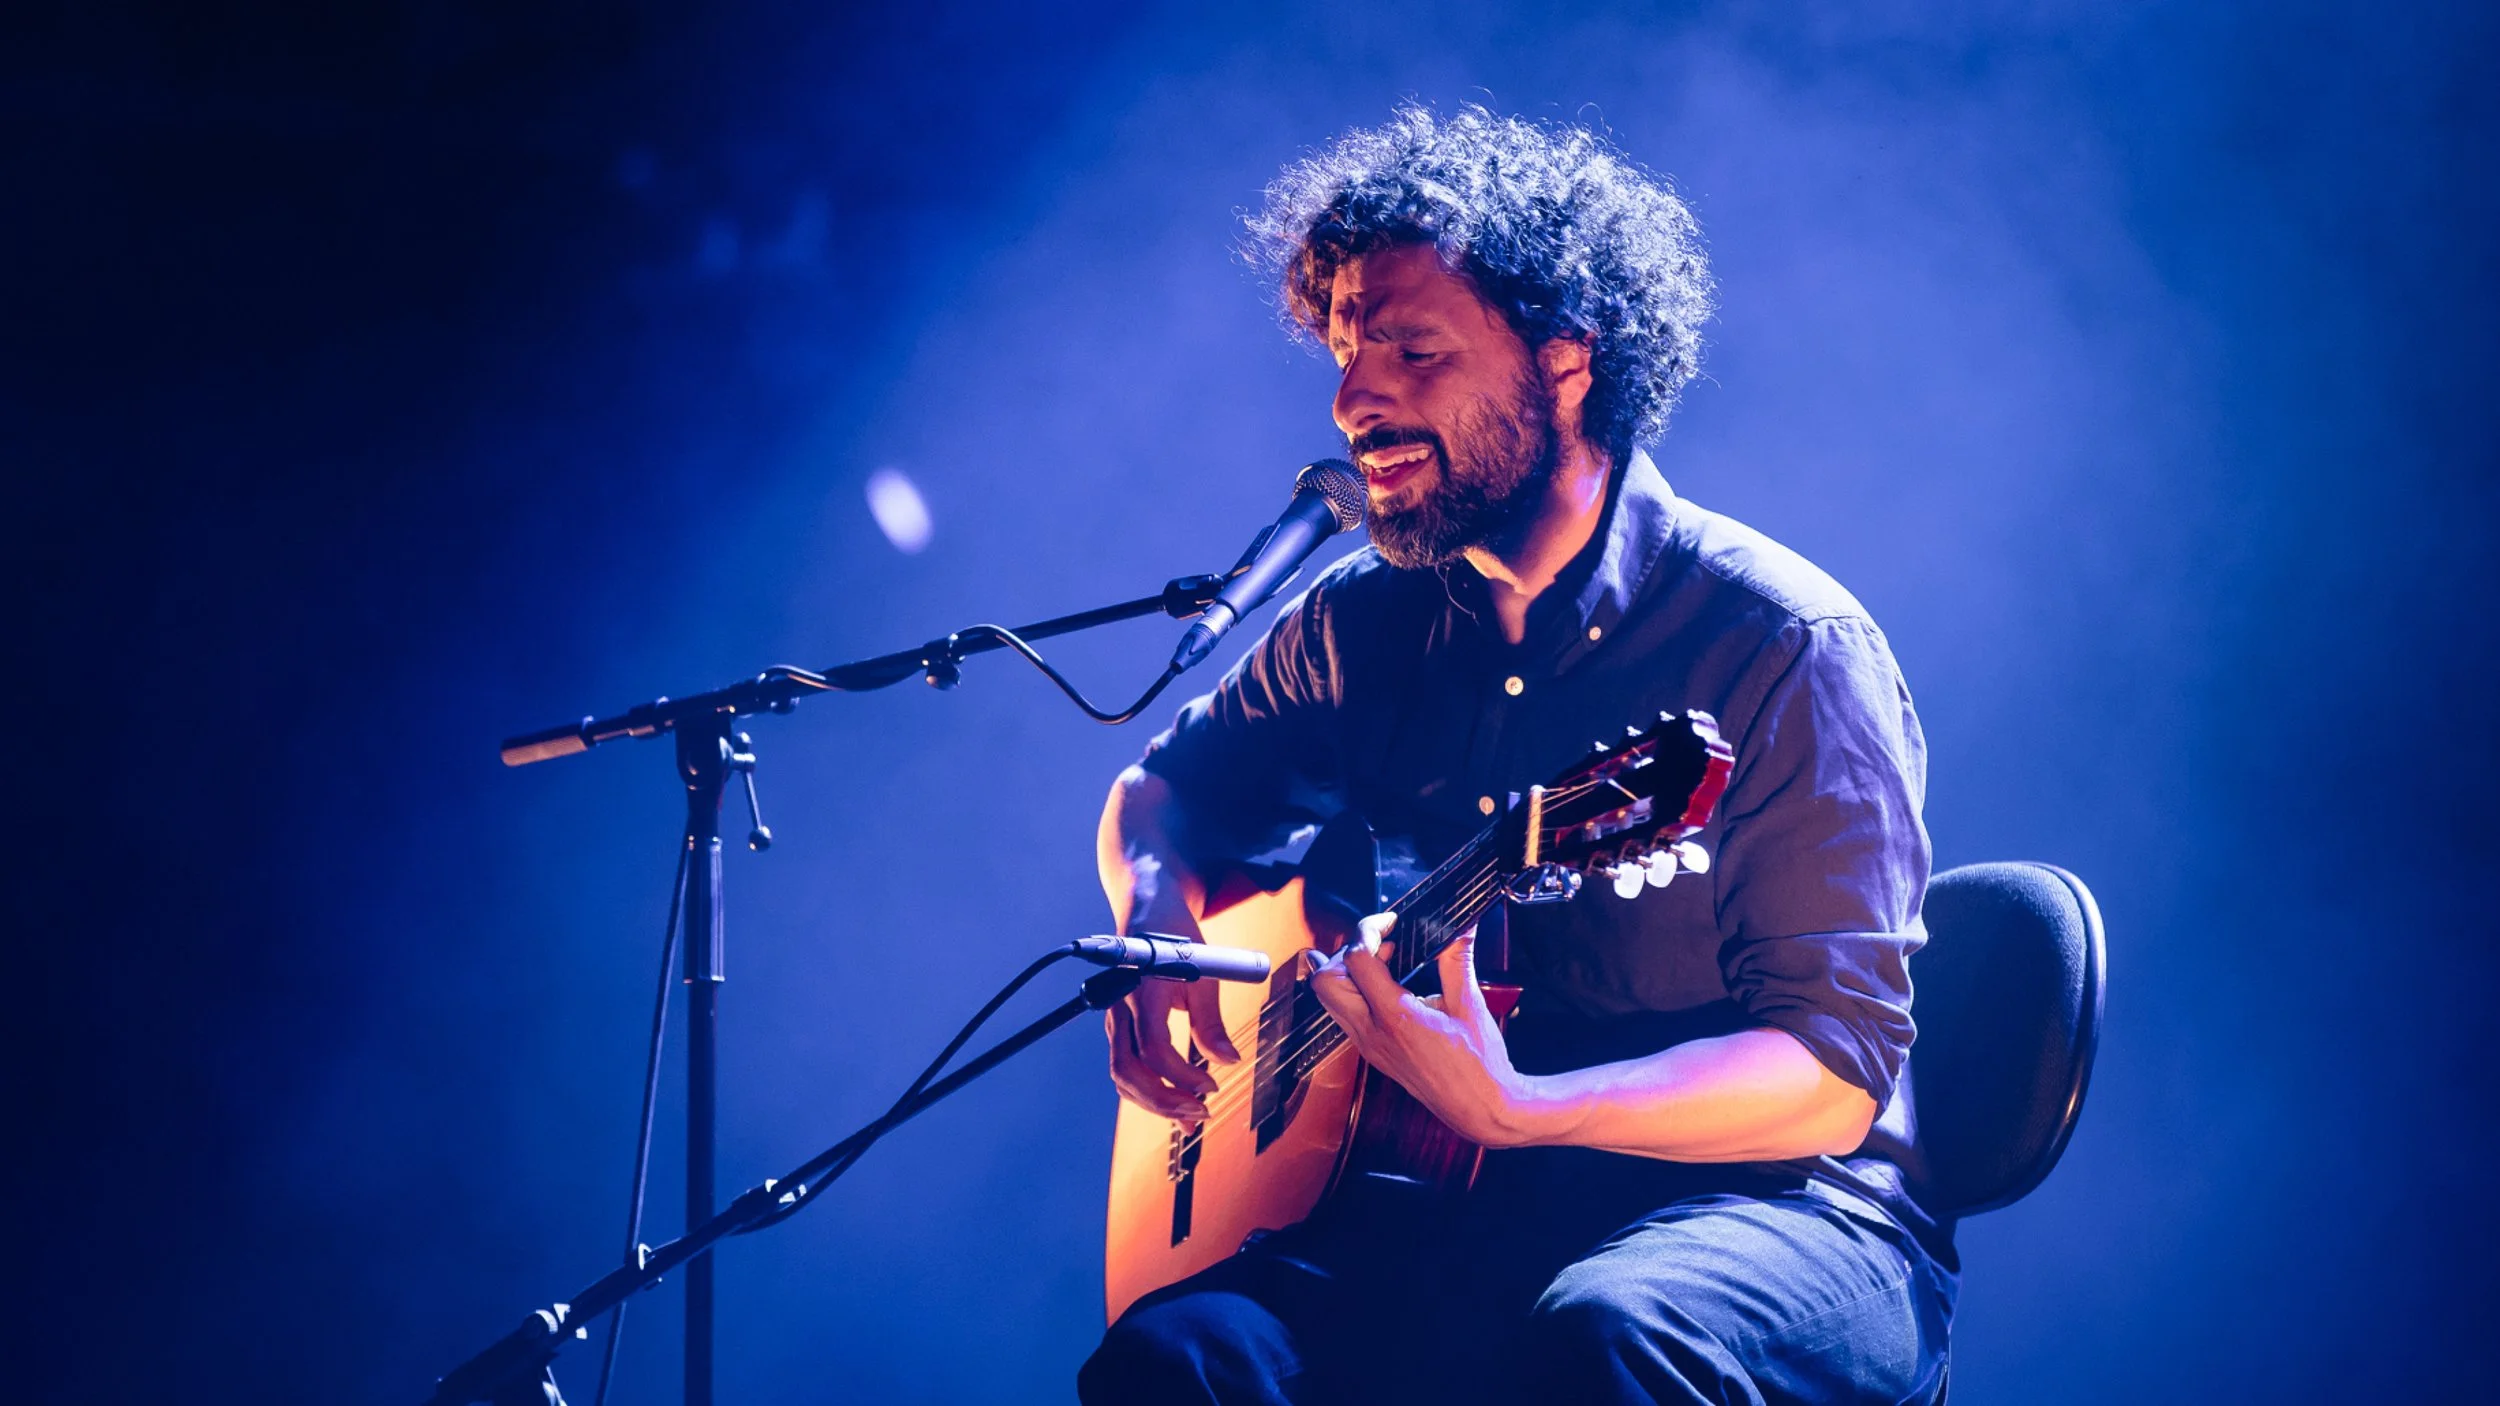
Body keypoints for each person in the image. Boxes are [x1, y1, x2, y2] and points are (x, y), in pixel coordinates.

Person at [1080, 105, 1953, 1405]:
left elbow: (1828, 1075)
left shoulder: (1777, 641)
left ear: (1564, 361)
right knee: (1174, 1362)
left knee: (1602, 1333)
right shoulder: (1358, 629)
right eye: (1342, 350)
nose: (1351, 397)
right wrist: (1155, 924)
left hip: (1778, 1211)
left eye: (1413, 349)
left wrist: (1524, 1108)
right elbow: (1162, 794)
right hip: (1448, 1202)